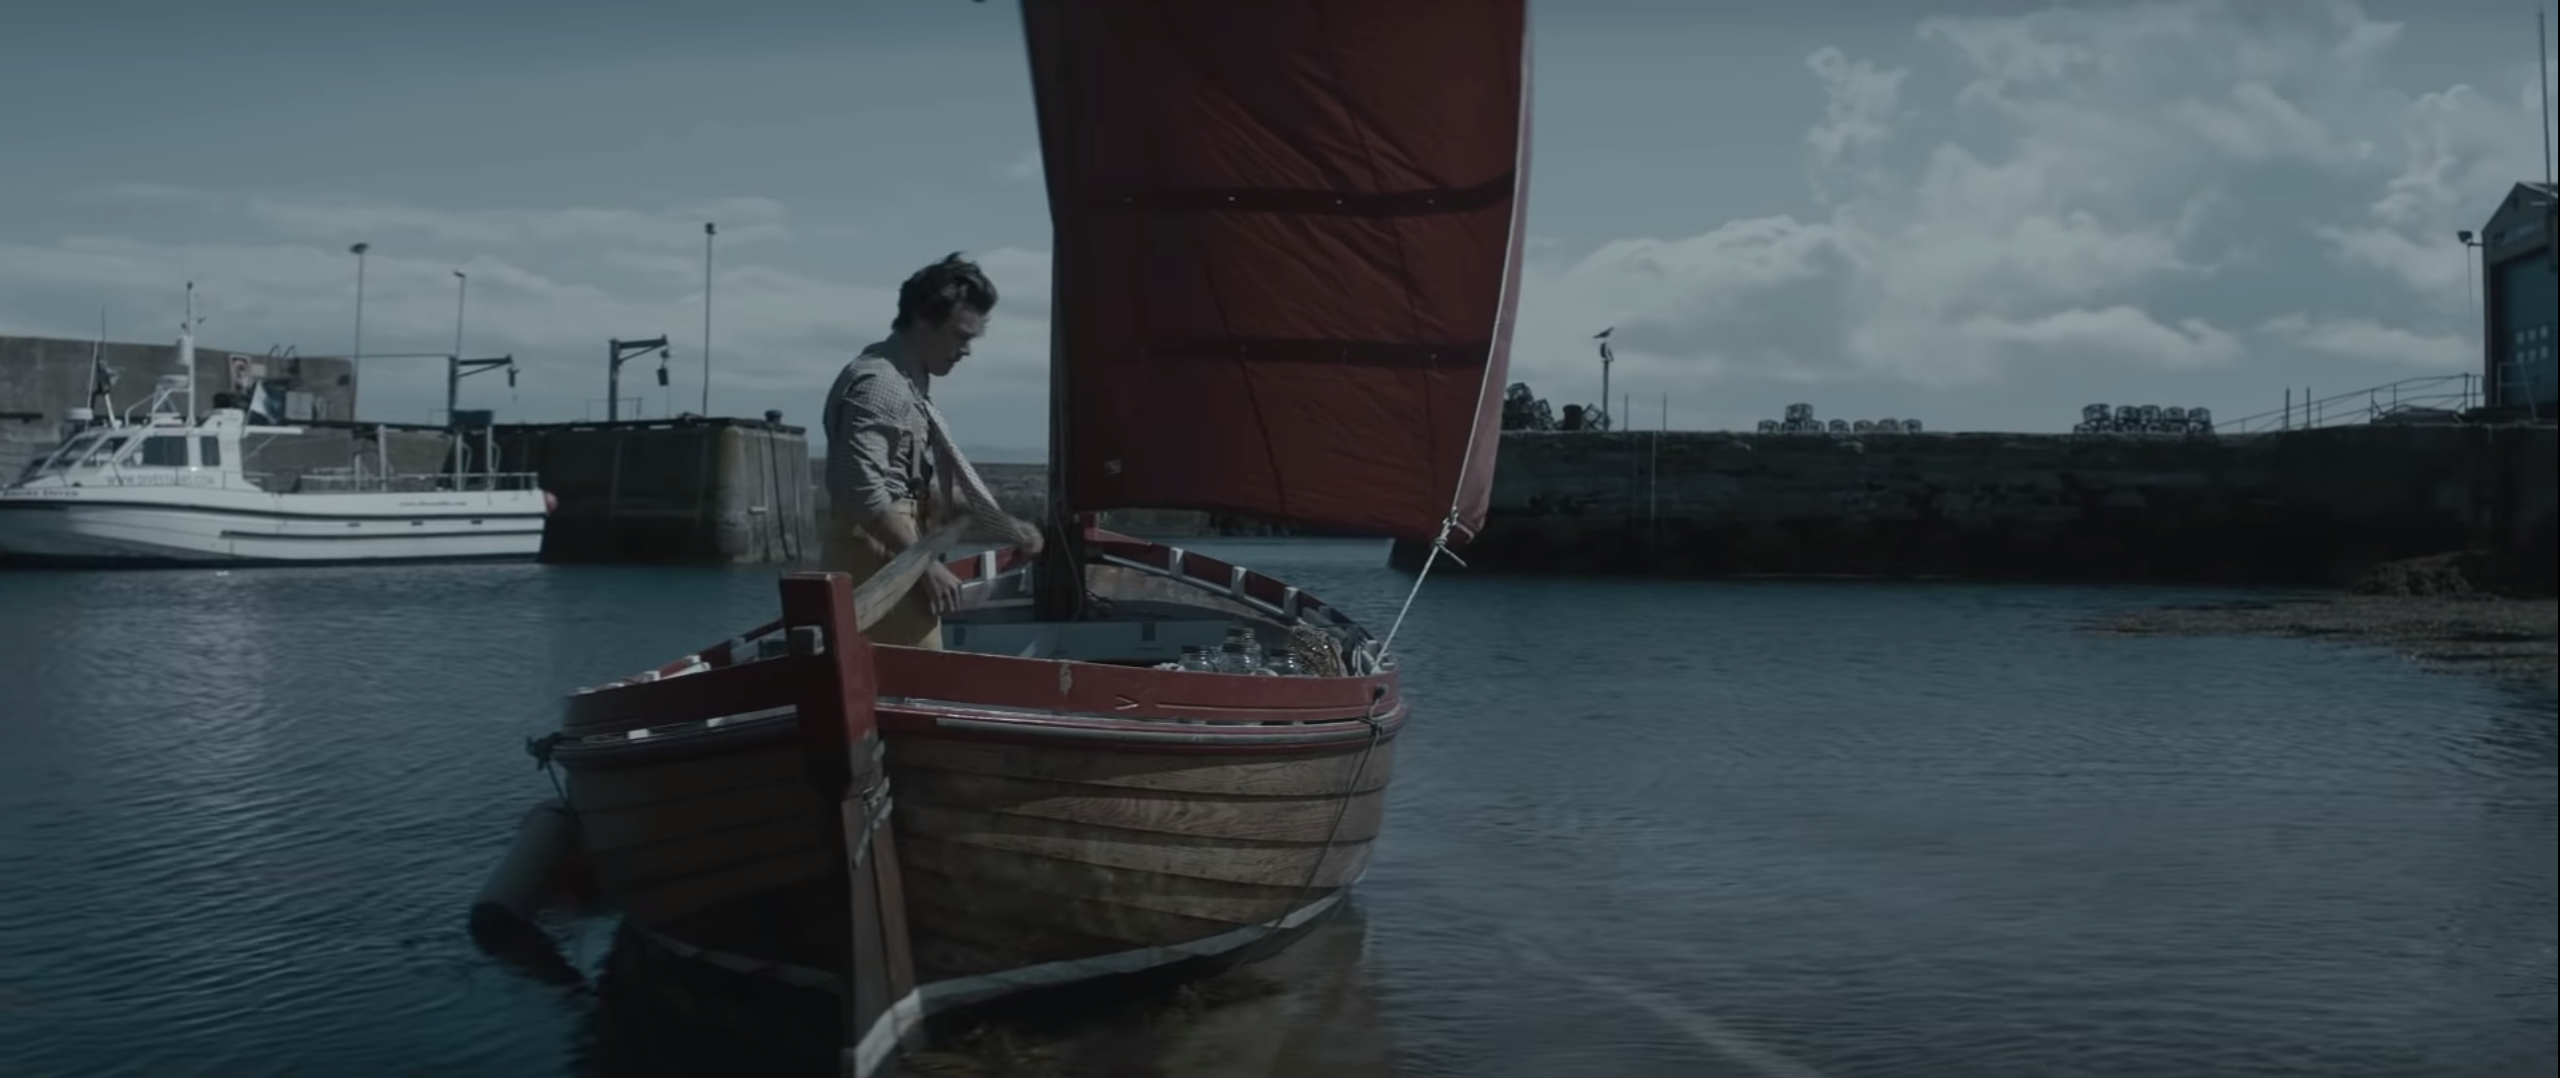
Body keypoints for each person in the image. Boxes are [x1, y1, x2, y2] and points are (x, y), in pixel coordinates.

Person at [820, 252, 1044, 649]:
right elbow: (863, 490)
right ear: (923, 320)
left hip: (889, 560)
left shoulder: (903, 379)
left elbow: (911, 488)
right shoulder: (880, 384)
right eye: (960, 335)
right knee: (911, 679)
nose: (967, 350)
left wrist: (1007, 527)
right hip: (881, 570)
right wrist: (922, 564)